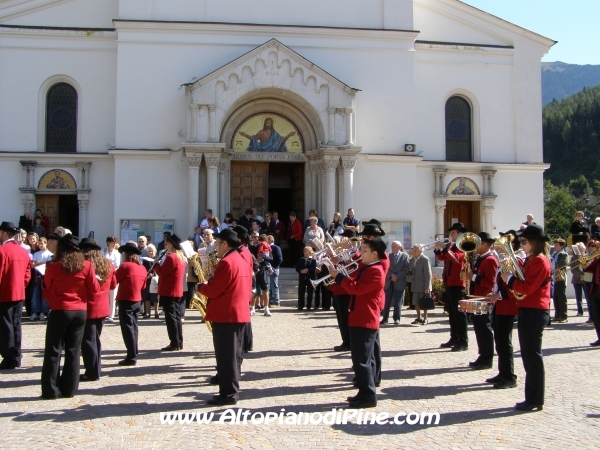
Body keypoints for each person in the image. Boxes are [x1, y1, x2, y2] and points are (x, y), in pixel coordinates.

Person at [329, 238, 387, 409]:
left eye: (365, 250)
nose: (361, 253)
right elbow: (354, 281)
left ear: (375, 253)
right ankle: (363, 391)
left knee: (362, 360)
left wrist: (338, 277)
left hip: (365, 319)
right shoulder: (367, 267)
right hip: (358, 317)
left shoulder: (375, 270)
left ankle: (369, 395)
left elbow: (357, 288)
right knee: (357, 359)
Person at [41, 234, 100, 398]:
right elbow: (94, 289)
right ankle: (70, 389)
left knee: (54, 350)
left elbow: (47, 287)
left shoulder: (53, 266)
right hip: (80, 311)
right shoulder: (87, 266)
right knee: (73, 351)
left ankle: (50, 389)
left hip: (60, 309)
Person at [198, 228, 252, 405]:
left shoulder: (227, 262)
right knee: (234, 356)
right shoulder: (241, 258)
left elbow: (214, 289)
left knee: (226, 357)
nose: (216, 247)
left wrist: (201, 287)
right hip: (238, 313)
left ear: (225, 244)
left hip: (226, 314)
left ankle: (228, 394)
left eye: (218, 243)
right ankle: (231, 391)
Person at [501, 224, 551, 411]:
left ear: (534, 242)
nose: (521, 245)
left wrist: (510, 280)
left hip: (534, 310)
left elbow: (528, 287)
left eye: (524, 241)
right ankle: (531, 397)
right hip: (528, 309)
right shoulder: (531, 259)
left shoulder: (539, 260)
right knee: (529, 356)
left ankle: (535, 399)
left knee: (532, 357)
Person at [486, 230, 521, 390]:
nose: (498, 249)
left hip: (507, 306)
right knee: (499, 341)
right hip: (500, 305)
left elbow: (514, 288)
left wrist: (498, 295)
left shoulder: (514, 262)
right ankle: (503, 372)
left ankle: (509, 376)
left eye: (502, 246)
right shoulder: (504, 262)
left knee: (505, 342)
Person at [79, 238, 116, 381]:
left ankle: (92, 371)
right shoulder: (108, 264)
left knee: (88, 340)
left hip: (88, 305)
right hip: (102, 306)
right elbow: (113, 285)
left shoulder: (84, 265)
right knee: (95, 339)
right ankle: (95, 368)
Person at [464, 232, 499, 370]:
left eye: (477, 244)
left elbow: (490, 282)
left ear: (484, 245)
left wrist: (473, 277)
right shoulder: (480, 258)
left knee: (484, 329)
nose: (475, 247)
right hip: (477, 297)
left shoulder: (490, 260)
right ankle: (482, 354)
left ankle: (487, 358)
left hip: (484, 299)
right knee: (478, 328)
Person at [0, 221, 32, 370]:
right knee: (16, 325)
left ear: (5, 233)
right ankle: (17, 354)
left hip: (5, 292)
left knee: (5, 326)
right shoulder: (23, 251)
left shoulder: (2, 250)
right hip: (19, 292)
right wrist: (21, 286)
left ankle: (9, 357)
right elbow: (27, 274)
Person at [435, 222, 468, 352]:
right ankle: (454, 338)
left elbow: (456, 259)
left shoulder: (463, 247)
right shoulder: (452, 247)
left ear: (460, 234)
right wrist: (438, 249)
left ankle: (463, 341)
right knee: (452, 313)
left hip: (458, 284)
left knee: (459, 314)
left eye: (453, 233)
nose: (451, 235)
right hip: (449, 283)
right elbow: (442, 257)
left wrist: (444, 248)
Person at [115, 242, 147, 366]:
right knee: (134, 326)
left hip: (126, 299)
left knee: (127, 327)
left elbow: (114, 280)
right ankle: (134, 351)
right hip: (137, 300)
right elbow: (143, 285)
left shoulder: (125, 266)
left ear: (126, 254)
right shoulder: (142, 267)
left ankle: (131, 355)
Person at [154, 234, 187, 351]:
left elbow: (162, 273)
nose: (165, 244)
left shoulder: (172, 257)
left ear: (172, 244)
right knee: (176, 317)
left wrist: (156, 265)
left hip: (169, 290)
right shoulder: (181, 257)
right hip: (176, 290)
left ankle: (174, 342)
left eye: (167, 243)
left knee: (171, 318)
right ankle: (178, 341)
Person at [330, 230, 357, 351]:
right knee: (340, 317)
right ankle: (345, 340)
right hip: (338, 287)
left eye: (344, 238)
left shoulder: (355, 252)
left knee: (345, 317)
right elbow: (337, 263)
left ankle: (348, 342)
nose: (341, 241)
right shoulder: (345, 251)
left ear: (350, 239)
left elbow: (353, 268)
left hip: (346, 289)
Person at [381, 241, 410, 325]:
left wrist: (397, 276)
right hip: (389, 281)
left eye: (394, 246)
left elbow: (406, 269)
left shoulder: (405, 256)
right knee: (387, 301)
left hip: (399, 281)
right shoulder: (388, 256)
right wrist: (391, 275)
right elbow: (385, 267)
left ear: (399, 247)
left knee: (398, 301)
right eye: (392, 246)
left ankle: (396, 318)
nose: (392, 248)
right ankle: (385, 318)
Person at [30, 237, 53, 321]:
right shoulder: (36, 254)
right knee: (35, 293)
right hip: (37, 275)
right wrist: (40, 263)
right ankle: (35, 311)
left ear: (46, 243)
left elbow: (49, 264)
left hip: (45, 276)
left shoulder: (49, 254)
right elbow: (32, 265)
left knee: (44, 294)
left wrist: (38, 263)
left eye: (42, 243)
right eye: (39, 244)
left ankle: (44, 311)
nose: (40, 245)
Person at [410, 244, 432, 325]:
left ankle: (426, 318)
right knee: (416, 302)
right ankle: (419, 317)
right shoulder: (413, 259)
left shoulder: (425, 259)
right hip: (415, 284)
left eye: (415, 250)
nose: (413, 252)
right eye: (413, 250)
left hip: (423, 285)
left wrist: (427, 286)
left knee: (425, 302)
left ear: (420, 251)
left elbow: (428, 274)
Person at [102, 236, 121, 323]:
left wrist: (107, 264)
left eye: (115, 242)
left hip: (113, 276)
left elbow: (116, 264)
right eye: (112, 242)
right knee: (105, 296)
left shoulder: (117, 253)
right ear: (108, 243)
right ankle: (105, 313)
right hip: (104, 276)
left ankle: (111, 315)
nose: (114, 244)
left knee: (112, 296)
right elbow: (101, 262)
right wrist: (109, 264)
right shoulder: (103, 251)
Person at [550, 238, 569, 323]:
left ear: (561, 246)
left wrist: (553, 263)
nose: (555, 246)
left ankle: (564, 316)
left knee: (561, 298)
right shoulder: (554, 254)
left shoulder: (564, 254)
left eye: (557, 245)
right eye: (555, 245)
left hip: (560, 278)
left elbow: (563, 264)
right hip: (554, 277)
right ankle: (557, 315)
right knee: (555, 297)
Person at [267, 235, 282, 307]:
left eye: (267, 240)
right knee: (269, 286)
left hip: (274, 269)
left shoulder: (276, 248)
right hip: (268, 268)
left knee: (274, 285)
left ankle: (276, 301)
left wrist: (274, 267)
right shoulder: (267, 248)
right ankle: (270, 300)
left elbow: (280, 259)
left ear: (270, 240)